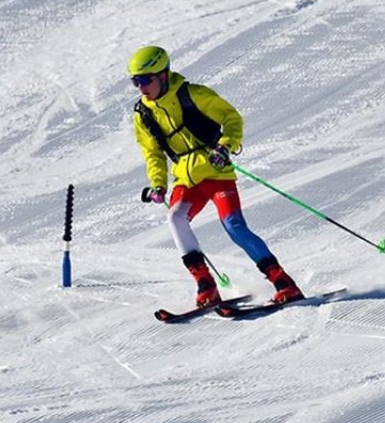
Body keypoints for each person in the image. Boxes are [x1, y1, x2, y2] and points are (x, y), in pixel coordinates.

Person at [128, 45, 303, 308]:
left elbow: (231, 118)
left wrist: (225, 146)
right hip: (186, 179)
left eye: (145, 80)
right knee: (175, 218)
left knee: (234, 227)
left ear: (163, 75)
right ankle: (206, 286)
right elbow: (152, 153)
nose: (141, 87)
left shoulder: (193, 94)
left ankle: (284, 284)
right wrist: (158, 184)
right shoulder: (143, 114)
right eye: (135, 81)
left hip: (216, 171)